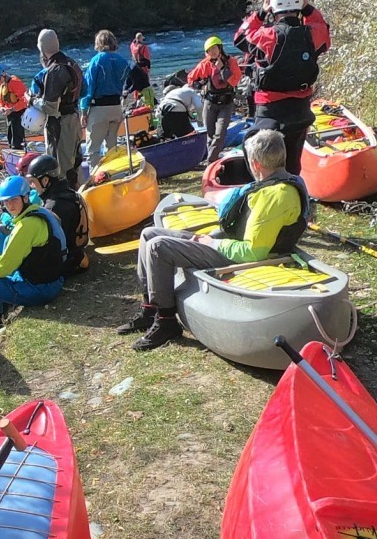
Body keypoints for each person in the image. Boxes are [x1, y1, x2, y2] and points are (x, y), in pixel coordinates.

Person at [118, 130, 307, 351]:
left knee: (158, 247)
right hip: (232, 244)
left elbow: (253, 252)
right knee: (149, 234)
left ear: (255, 164)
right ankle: (150, 307)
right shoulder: (277, 183)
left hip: (238, 256)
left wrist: (213, 243)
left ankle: (166, 320)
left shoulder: (275, 195)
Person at [235, 0, 331, 175]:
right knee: (293, 166)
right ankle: (295, 195)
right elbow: (322, 27)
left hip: (270, 113)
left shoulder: (266, 36)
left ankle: (266, 195)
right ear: (300, 5)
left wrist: (261, 12)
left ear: (274, 6)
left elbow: (240, 37)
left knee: (259, 160)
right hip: (300, 111)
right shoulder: (314, 33)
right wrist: (307, 8)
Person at [0, 175, 67, 347]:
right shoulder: (38, 212)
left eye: (14, 200)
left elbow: (3, 270)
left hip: (39, 290)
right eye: (6, 202)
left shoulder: (25, 226)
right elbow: (20, 256)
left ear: (25, 198)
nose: (10, 205)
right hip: (52, 282)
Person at [29, 29, 85, 189]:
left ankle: (66, 204)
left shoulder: (55, 70)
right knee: (75, 163)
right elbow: (83, 91)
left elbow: (50, 107)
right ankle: (80, 201)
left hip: (60, 125)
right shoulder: (72, 63)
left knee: (61, 169)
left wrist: (32, 100)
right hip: (74, 119)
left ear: (42, 49)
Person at [26, 154, 90, 275]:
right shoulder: (70, 193)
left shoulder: (54, 206)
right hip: (77, 252)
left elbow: (50, 244)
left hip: (69, 260)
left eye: (33, 182)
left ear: (45, 180)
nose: (32, 187)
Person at [79, 30, 131, 172]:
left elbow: (88, 88)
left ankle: (96, 180)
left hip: (99, 108)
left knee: (93, 150)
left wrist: (83, 111)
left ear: (98, 43)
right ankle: (114, 176)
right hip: (116, 106)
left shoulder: (96, 61)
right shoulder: (123, 61)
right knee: (111, 147)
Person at [189, 36, 244, 163]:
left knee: (219, 135)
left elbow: (234, 81)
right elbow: (191, 78)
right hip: (210, 103)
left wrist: (222, 68)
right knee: (210, 135)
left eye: (214, 48)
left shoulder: (231, 62)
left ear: (220, 48)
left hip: (226, 104)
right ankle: (213, 161)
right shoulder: (205, 64)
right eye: (209, 50)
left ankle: (210, 161)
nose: (212, 52)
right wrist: (199, 85)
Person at [0, 63, 29, 150]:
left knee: (17, 137)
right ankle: (12, 148)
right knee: (10, 135)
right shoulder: (1, 84)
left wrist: (12, 109)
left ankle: (19, 150)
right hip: (9, 114)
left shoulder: (16, 83)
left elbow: (24, 100)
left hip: (19, 113)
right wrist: (1, 108)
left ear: (3, 73)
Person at [158, 70, 203, 139]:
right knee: (190, 135)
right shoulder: (191, 91)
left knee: (166, 137)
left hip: (163, 111)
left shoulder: (174, 92)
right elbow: (199, 106)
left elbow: (158, 113)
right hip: (177, 110)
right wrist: (200, 120)